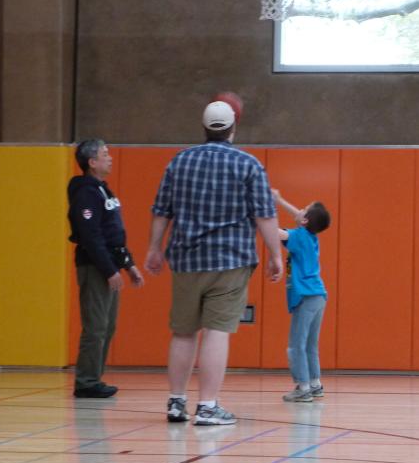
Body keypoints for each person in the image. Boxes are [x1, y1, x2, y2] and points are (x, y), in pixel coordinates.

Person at [144, 100, 283, 426]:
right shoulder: (249, 165)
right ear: (233, 127)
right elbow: (264, 215)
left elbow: (162, 210)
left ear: (204, 127)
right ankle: (207, 407)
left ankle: (176, 403)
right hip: (230, 260)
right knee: (217, 332)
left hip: (186, 259)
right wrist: (276, 254)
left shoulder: (179, 161)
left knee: (183, 333)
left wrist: (154, 248)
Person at [67, 139, 144, 398]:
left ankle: (94, 378)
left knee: (107, 325)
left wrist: (128, 264)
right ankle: (86, 381)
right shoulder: (85, 193)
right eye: (105, 154)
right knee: (96, 326)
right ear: (92, 162)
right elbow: (91, 236)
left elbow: (113, 235)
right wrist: (109, 270)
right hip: (95, 267)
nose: (110, 158)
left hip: (109, 265)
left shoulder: (102, 190)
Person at [272, 189, 331, 403]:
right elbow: (300, 216)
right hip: (318, 296)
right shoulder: (310, 236)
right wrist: (280, 201)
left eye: (304, 209)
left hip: (306, 297)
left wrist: (260, 213)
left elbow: (275, 232)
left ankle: (303, 388)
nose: (299, 210)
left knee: (296, 345)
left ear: (305, 220)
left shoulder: (299, 236)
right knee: (310, 345)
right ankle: (315, 384)